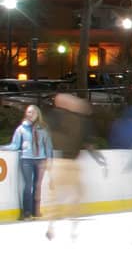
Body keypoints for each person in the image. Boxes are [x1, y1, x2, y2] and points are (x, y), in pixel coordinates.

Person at [44, 95, 105, 241]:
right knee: (76, 195)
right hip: (69, 163)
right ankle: (72, 229)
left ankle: (53, 227)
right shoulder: (79, 121)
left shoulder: (56, 117)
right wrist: (98, 157)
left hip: (59, 162)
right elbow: (88, 144)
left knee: (58, 197)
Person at [4, 104, 53, 220]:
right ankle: (27, 212)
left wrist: (50, 160)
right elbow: (15, 145)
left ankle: (36, 211)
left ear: (38, 114)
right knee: (28, 185)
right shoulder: (21, 129)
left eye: (33, 112)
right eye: (28, 112)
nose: (30, 114)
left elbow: (48, 146)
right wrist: (2, 148)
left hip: (40, 160)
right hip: (26, 159)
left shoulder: (43, 129)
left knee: (38, 186)